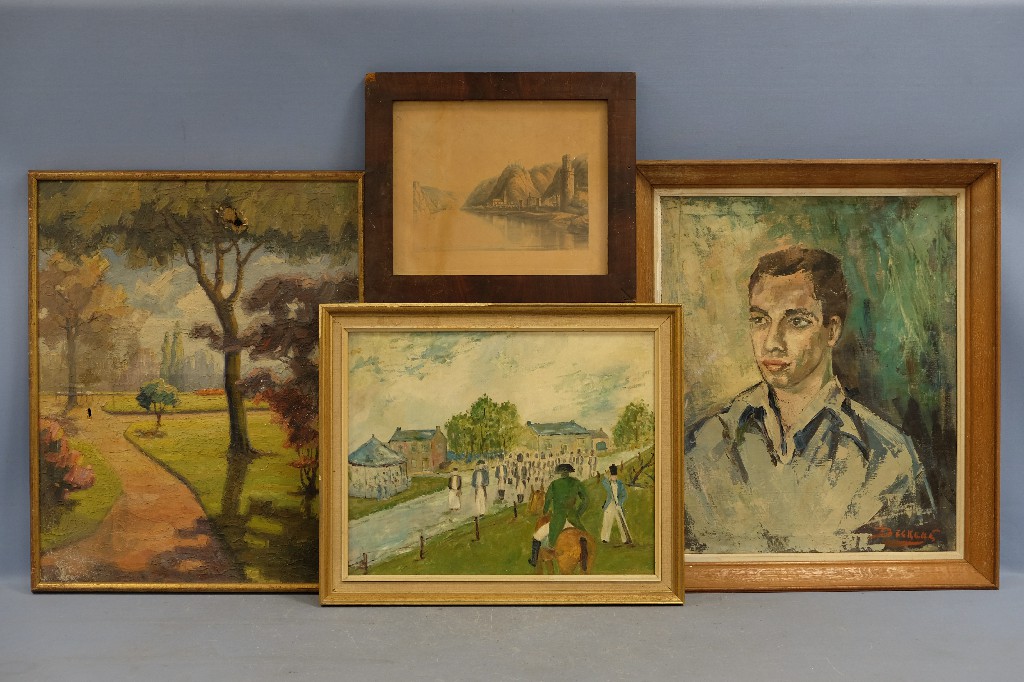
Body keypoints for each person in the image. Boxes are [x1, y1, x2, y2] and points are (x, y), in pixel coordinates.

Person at [686, 246, 937, 554]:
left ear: (832, 331)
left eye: (796, 321)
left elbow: (915, 568)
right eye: (760, 320)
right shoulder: (703, 442)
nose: (772, 342)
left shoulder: (887, 453)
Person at [528, 463, 589, 567]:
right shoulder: (577, 482)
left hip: (558, 519)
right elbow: (586, 500)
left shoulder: (554, 484)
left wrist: (545, 512)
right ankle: (585, 555)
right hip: (573, 519)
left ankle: (534, 560)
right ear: (569, 472)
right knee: (584, 536)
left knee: (537, 536)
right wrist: (578, 513)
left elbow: (547, 500)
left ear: (560, 473)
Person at [600, 464, 631, 544]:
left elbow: (624, 495)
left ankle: (625, 539)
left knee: (621, 521)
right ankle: (604, 538)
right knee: (607, 520)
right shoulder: (606, 482)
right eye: (612, 476)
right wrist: (606, 477)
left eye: (615, 476)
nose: (614, 477)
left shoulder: (620, 483)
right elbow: (604, 482)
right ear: (610, 475)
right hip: (609, 504)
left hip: (618, 504)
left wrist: (619, 503)